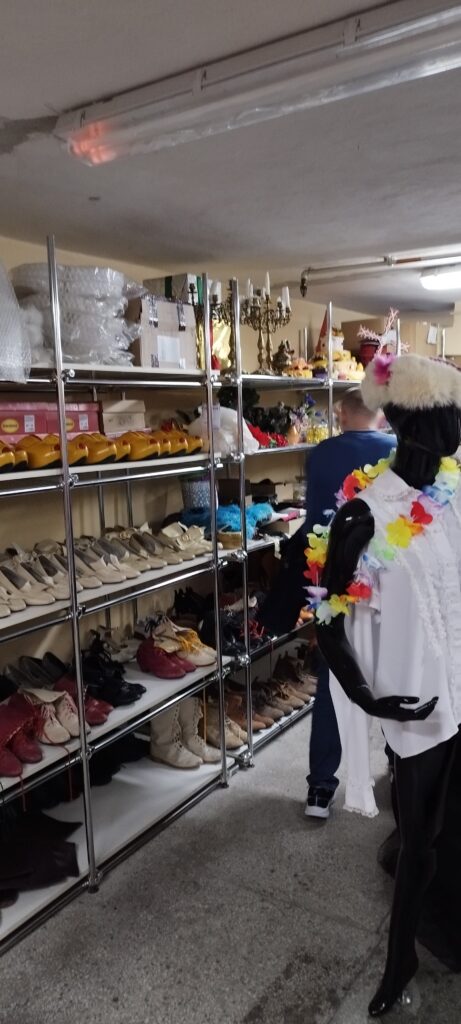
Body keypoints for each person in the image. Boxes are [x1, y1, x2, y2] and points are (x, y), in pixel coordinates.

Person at [308, 353, 461, 1016]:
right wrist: (367, 697)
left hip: (460, 682)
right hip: (416, 704)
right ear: (408, 423)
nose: (454, 427)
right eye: (441, 413)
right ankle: (399, 960)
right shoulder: (361, 517)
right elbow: (326, 621)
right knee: (420, 839)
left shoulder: (450, 495)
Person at [304, 387, 395, 819]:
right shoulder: (396, 449)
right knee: (391, 673)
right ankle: (398, 765)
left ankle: (320, 788)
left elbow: (312, 520)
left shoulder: (321, 454)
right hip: (385, 577)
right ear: (379, 414)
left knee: (334, 677)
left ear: (342, 413)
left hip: (332, 577)